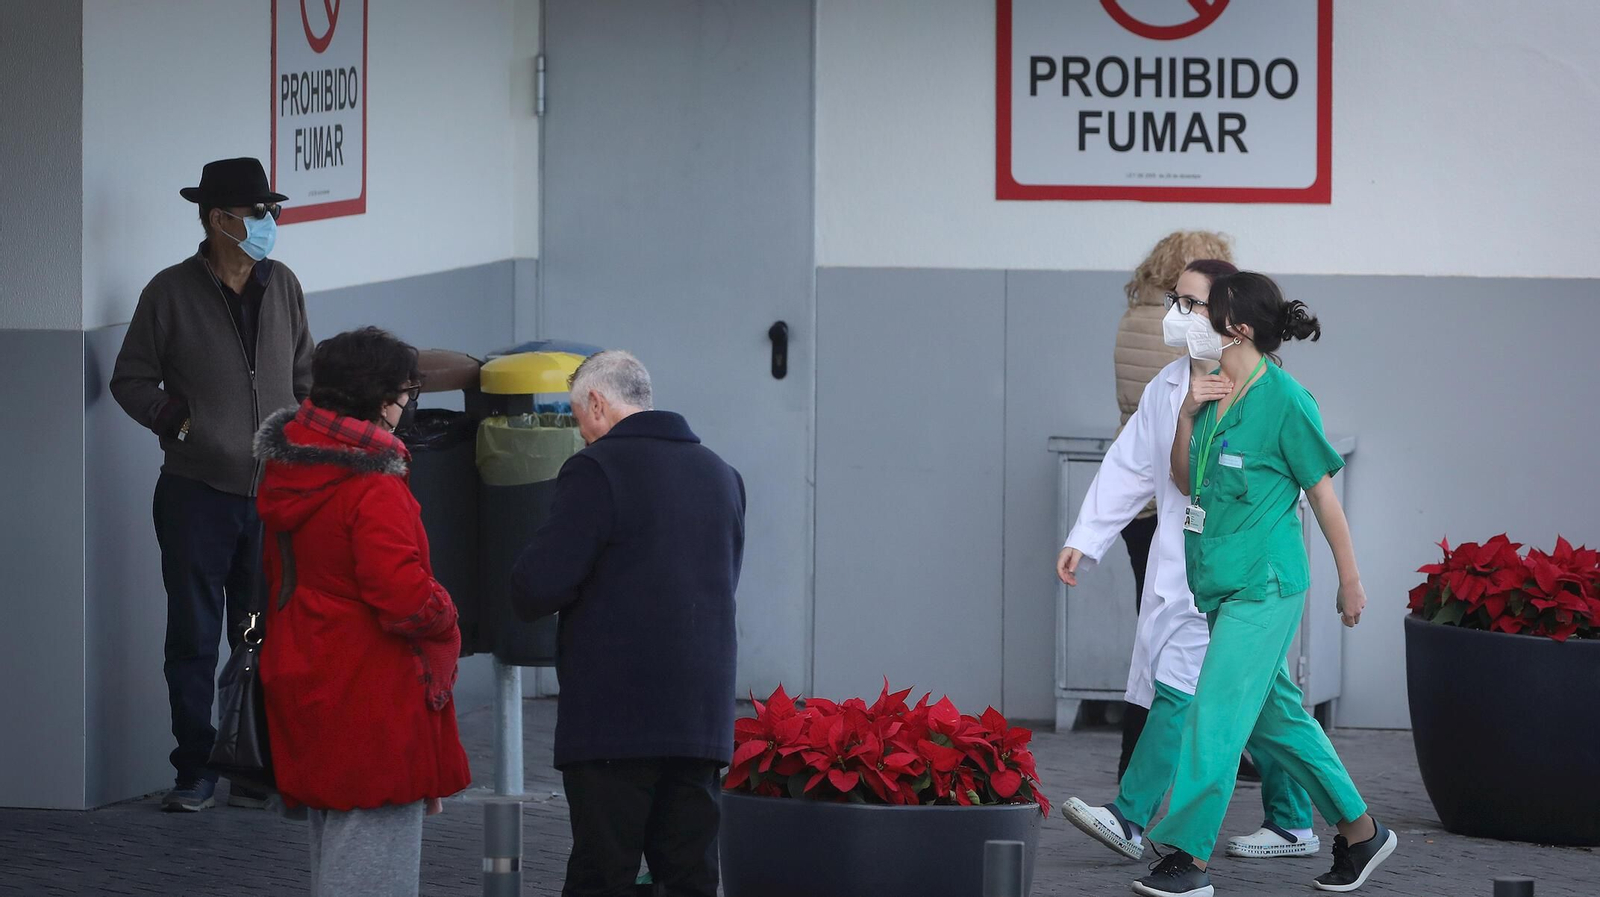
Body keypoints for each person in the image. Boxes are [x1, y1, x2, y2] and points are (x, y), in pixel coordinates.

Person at [1135, 274, 1397, 896]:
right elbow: (1182, 480)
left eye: (1199, 308)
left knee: (1216, 713)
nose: (1185, 315)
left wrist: (1350, 580)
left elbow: (1324, 499)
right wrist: (1187, 413)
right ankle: (1362, 833)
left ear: (1239, 328)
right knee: (1275, 718)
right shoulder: (1211, 389)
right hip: (1220, 584)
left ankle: (1187, 856)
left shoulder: (1285, 399)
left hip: (1266, 585)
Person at [1058, 260, 1319, 865]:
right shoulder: (1170, 385)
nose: (1179, 314)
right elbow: (1130, 465)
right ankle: (1297, 821)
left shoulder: (1267, 393)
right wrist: (1087, 535)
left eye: (1192, 303)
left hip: (1245, 576)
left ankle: (1132, 816)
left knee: (1185, 684)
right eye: (1175, 300)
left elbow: (1298, 486)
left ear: (1232, 317)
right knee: (1266, 703)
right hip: (1190, 562)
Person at [110, 157, 313, 812]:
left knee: (256, 636)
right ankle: (194, 767)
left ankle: (251, 764)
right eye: (257, 214)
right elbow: (130, 379)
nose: (269, 223)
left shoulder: (282, 286)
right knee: (194, 639)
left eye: (270, 212)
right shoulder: (168, 293)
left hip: (270, 500)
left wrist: (307, 448)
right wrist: (180, 421)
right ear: (219, 219)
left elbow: (306, 376)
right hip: (197, 497)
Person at [511, 350, 745, 897]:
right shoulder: (722, 474)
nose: (579, 433)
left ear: (596, 401)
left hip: (615, 718)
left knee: (602, 873)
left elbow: (537, 585)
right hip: (701, 718)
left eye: (575, 417)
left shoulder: (596, 468)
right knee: (689, 875)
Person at [254, 327, 470, 897]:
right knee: (373, 866)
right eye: (406, 394)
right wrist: (445, 612)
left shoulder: (290, 468)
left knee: (337, 853)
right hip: (370, 695)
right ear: (381, 399)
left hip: (307, 673)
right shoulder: (372, 483)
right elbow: (402, 596)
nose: (408, 406)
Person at [1108, 231, 1257, 785]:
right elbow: (1184, 440)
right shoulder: (1185, 336)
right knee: (1172, 646)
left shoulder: (1134, 318)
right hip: (1175, 509)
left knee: (1167, 644)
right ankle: (1154, 786)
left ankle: (1143, 787)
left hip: (1155, 509)